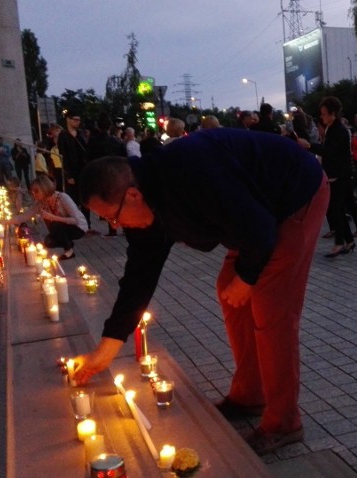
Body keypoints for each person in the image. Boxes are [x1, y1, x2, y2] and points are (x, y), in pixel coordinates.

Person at [72, 129, 330, 455]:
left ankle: (285, 421)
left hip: (295, 195)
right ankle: (250, 395)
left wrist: (248, 277)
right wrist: (106, 350)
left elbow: (260, 230)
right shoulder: (147, 206)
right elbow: (138, 277)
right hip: (252, 214)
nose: (116, 226)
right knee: (229, 289)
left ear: (133, 195)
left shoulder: (192, 173)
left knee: (270, 306)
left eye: (113, 217)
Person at [299, 96, 356, 257]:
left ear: (333, 113)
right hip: (336, 174)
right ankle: (349, 241)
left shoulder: (338, 130)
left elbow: (330, 151)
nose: (322, 117)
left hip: (340, 175)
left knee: (335, 209)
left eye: (324, 114)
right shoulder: (333, 128)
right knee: (337, 208)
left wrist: (309, 145)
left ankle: (339, 242)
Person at [25, 175, 86, 259]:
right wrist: (5, 221)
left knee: (54, 223)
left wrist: (53, 217)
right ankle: (68, 242)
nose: (34, 195)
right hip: (63, 228)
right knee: (48, 242)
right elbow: (25, 215)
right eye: (33, 192)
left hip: (78, 228)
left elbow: (76, 220)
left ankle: (69, 252)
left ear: (44, 188)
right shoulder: (41, 202)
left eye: (36, 191)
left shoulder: (63, 198)